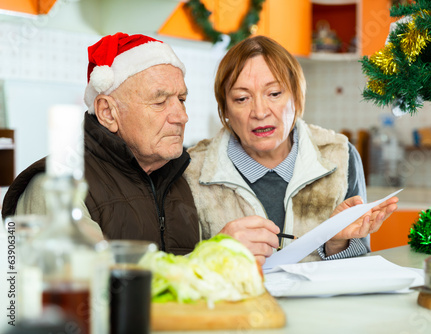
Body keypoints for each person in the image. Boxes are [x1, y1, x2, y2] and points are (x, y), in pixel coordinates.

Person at [184, 35, 399, 264]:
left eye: (274, 94)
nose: (259, 111)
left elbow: (357, 269)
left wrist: (336, 242)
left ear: (296, 97)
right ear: (225, 108)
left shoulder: (340, 157)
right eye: (242, 98)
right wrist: (216, 252)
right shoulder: (192, 170)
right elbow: (174, 273)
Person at [1, 33, 200, 255]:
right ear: (107, 112)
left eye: (181, 100)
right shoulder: (55, 187)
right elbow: (78, 284)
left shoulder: (184, 178)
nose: (182, 116)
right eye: (160, 102)